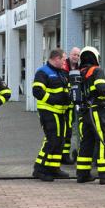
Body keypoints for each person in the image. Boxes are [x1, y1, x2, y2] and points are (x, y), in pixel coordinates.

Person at [76, 46, 105, 184]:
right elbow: (101, 88)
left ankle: (82, 174)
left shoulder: (80, 73)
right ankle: (104, 175)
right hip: (97, 112)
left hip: (84, 113)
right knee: (103, 142)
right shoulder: (96, 71)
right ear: (95, 58)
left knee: (86, 143)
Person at [32, 48, 71, 182]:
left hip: (60, 112)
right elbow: (37, 91)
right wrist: (53, 99)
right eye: (64, 59)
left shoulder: (61, 73)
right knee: (52, 140)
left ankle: (54, 168)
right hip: (49, 112)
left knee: (60, 141)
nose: (65, 62)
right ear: (56, 59)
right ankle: (40, 169)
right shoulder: (43, 72)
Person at [60, 47, 81, 165]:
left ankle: (65, 154)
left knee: (69, 131)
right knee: (63, 131)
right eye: (74, 55)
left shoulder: (79, 68)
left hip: (73, 105)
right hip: (63, 104)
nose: (76, 57)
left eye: (78, 55)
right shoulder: (64, 67)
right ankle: (61, 155)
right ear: (69, 55)